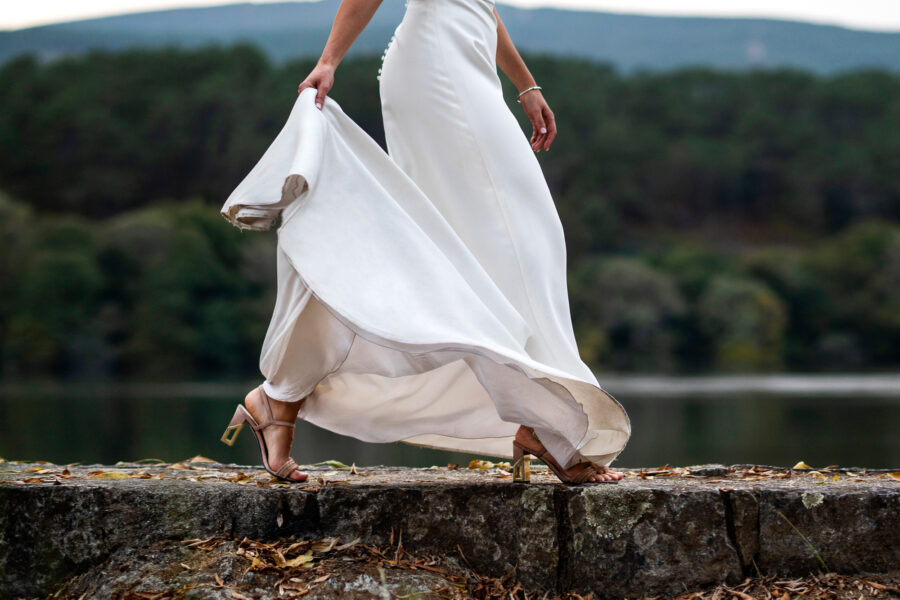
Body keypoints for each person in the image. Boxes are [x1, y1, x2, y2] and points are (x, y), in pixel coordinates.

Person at [219, 0, 631, 484]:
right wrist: (329, 60)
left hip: (468, 64)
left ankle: (281, 398)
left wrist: (526, 84)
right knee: (513, 239)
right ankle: (548, 424)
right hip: (436, 68)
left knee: (482, 246)